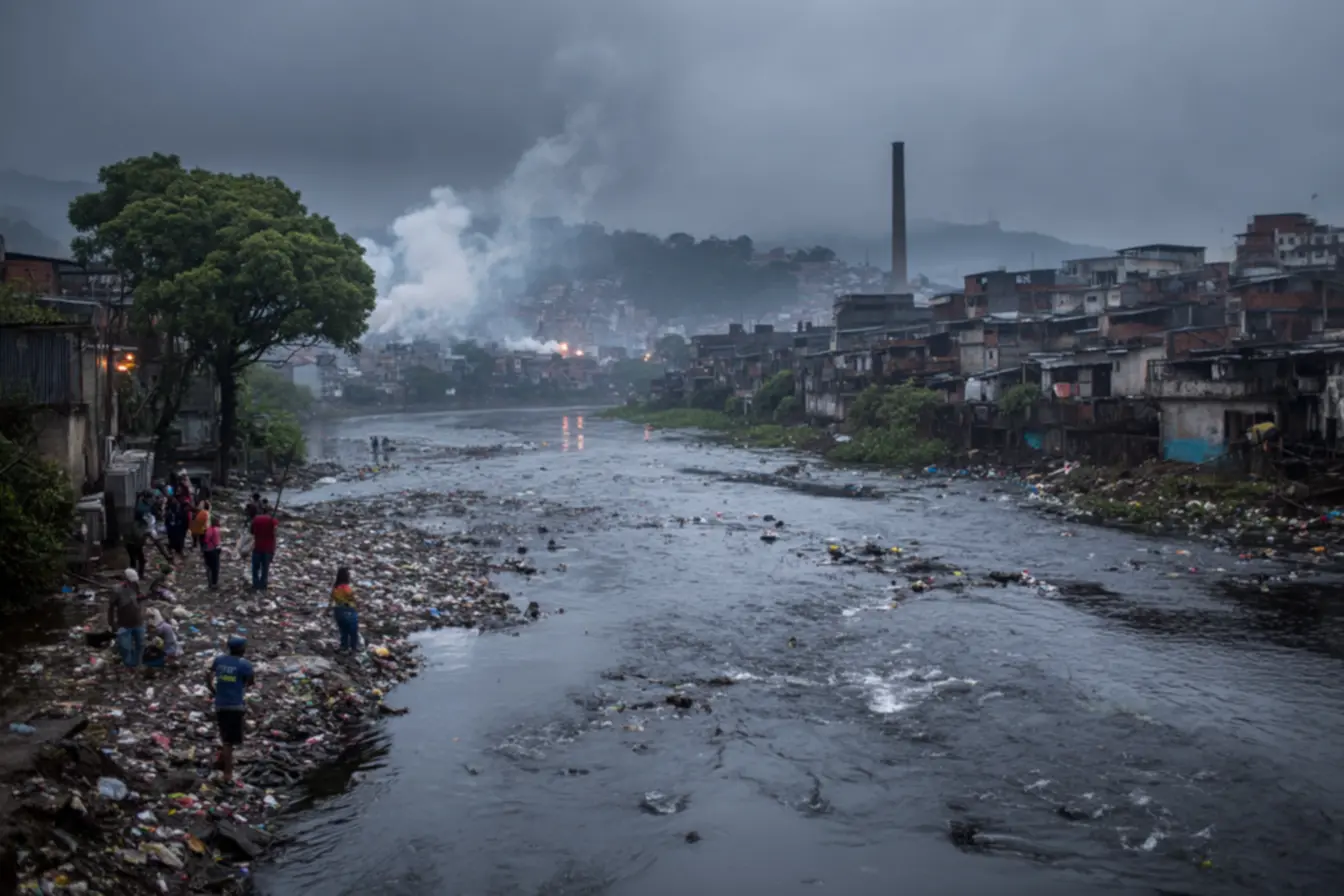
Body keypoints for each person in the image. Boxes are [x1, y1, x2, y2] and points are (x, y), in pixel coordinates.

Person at [206, 636, 254, 781]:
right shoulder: (244, 664)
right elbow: (250, 681)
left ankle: (222, 761)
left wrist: (212, 689)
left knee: (225, 735)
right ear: (241, 649)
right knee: (229, 741)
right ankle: (228, 774)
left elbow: (208, 673)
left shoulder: (220, 660)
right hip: (235, 705)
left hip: (220, 704)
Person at [107, 569, 145, 670]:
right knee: (125, 648)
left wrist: (141, 609)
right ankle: (129, 665)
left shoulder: (136, 587)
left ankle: (137, 664)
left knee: (140, 645)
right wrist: (111, 623)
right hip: (124, 624)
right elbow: (111, 608)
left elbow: (140, 600)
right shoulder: (117, 590)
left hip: (138, 622)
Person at [330, 566, 359, 651]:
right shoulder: (346, 587)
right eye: (348, 574)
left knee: (343, 631)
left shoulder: (335, 587)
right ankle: (353, 648)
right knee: (353, 631)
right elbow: (352, 597)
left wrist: (326, 611)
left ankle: (344, 646)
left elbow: (331, 599)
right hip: (348, 610)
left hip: (338, 611)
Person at [250, 505, 278, 592]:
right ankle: (263, 584)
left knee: (255, 567)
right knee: (265, 568)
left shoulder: (256, 519)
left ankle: (255, 583)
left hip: (258, 547)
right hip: (268, 548)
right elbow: (275, 533)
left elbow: (251, 531)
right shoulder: (273, 521)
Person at [202, 513, 223, 588]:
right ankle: (214, 583)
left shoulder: (209, 529)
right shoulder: (217, 529)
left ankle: (209, 583)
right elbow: (218, 541)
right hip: (214, 550)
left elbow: (206, 540)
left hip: (207, 550)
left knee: (208, 567)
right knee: (215, 567)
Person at [124, 513, 147, 579]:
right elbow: (137, 535)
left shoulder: (134, 523)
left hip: (132, 544)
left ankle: (134, 576)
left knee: (134, 561)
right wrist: (144, 533)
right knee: (138, 560)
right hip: (133, 544)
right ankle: (137, 576)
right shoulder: (137, 524)